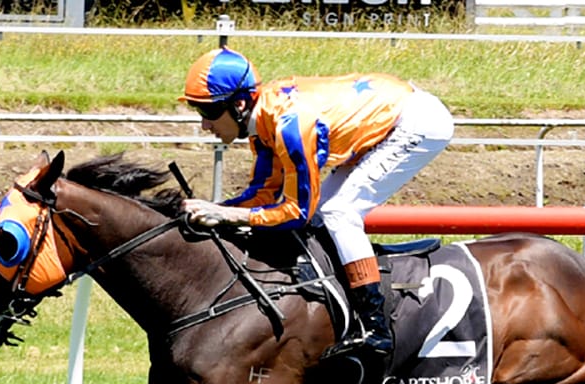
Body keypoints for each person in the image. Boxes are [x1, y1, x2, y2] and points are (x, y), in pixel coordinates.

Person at [179, 47, 454, 361]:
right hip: (384, 118)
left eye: (208, 112)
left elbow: (295, 213)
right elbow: (263, 195)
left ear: (239, 104)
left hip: (417, 122)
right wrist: (214, 211)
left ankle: (375, 328)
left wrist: (227, 215)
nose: (204, 124)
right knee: (324, 216)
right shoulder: (263, 124)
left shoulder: (290, 127)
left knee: (339, 213)